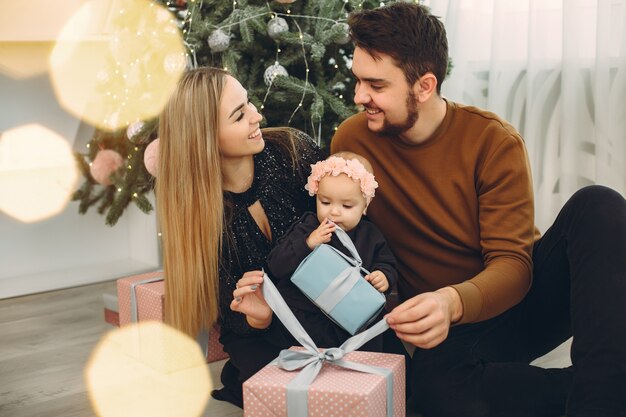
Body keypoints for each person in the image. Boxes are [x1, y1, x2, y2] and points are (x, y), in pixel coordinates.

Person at [331, 3, 626, 417]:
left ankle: (602, 403)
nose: (360, 96)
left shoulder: (492, 142)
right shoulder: (353, 141)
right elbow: (348, 235)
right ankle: (593, 387)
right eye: (358, 80)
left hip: (516, 297)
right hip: (455, 330)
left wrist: (451, 301)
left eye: (375, 85)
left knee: (599, 205)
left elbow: (513, 265)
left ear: (425, 85)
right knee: (434, 391)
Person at [155, 67, 324, 408]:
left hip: (323, 308)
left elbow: (351, 217)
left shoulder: (292, 151)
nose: (257, 116)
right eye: (239, 115)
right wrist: (256, 316)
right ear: (204, 138)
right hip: (261, 334)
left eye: (249, 103)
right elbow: (227, 316)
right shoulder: (200, 213)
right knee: (291, 398)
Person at [265, 152, 398, 349]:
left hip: (354, 320)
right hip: (307, 319)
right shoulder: (307, 228)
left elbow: (386, 262)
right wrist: (308, 243)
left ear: (365, 206)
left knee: (372, 347)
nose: (334, 212)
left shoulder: (370, 235)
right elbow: (276, 265)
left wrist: (384, 276)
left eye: (347, 205)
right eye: (325, 202)